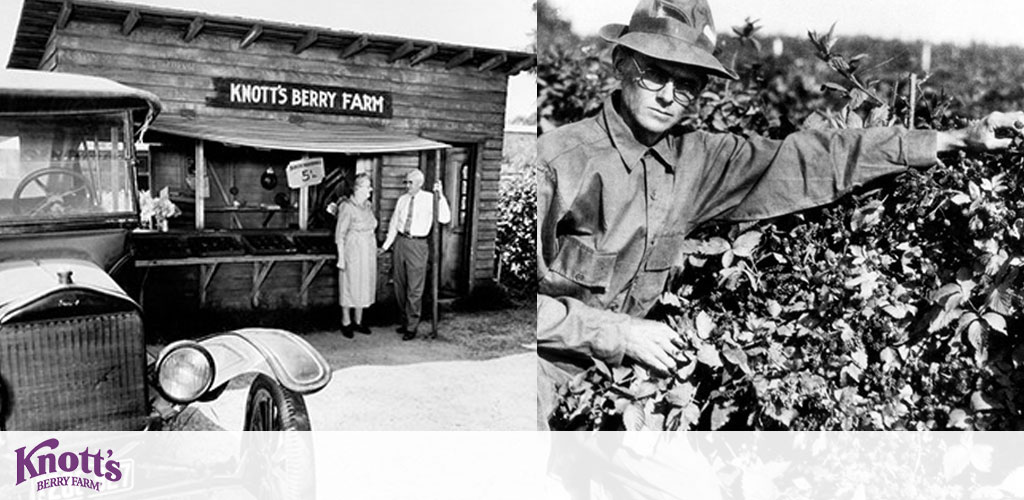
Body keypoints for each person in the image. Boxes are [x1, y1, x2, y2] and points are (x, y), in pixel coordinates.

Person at [537, 0, 1024, 429]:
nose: (668, 96)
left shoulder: (696, 160)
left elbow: (813, 157)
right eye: (655, 73)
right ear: (621, 62)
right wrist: (616, 331)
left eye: (686, 85)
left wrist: (956, 139)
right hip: (543, 370)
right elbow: (515, 311)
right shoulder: (558, 163)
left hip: (622, 385)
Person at [381, 169, 451, 341]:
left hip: (418, 245)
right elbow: (394, 223)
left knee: (415, 287)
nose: (407, 186)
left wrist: (440, 196)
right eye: (406, 182)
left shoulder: (430, 198)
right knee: (399, 284)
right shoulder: (402, 200)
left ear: (420, 183)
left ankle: (412, 326)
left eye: (410, 182)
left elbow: (445, 218)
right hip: (401, 242)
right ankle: (404, 321)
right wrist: (386, 245)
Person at [335, 173, 378, 338]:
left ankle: (358, 321)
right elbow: (340, 235)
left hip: (367, 251)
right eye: (368, 186)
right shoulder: (347, 206)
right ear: (358, 188)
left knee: (363, 285)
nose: (371, 189)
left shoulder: (367, 205)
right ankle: (346, 322)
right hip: (352, 251)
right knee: (349, 285)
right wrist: (341, 258)